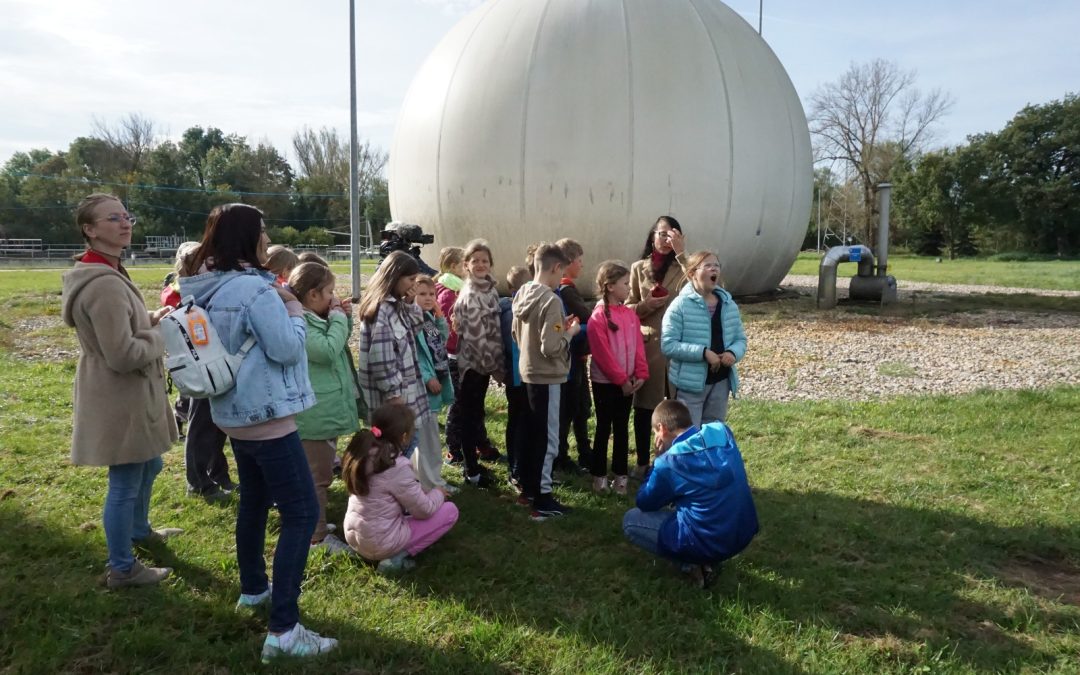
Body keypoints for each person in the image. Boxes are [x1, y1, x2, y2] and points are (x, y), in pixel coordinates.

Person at [179, 203, 336, 663]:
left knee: (252, 501)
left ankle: (253, 589)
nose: (267, 240)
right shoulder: (255, 290)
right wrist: (292, 309)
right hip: (267, 416)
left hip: (232, 412)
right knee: (302, 514)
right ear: (249, 238)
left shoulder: (204, 285)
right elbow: (287, 350)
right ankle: (285, 630)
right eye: (262, 232)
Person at [61, 193, 181, 589]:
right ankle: (122, 567)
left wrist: (148, 317)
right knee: (126, 478)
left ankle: (139, 531)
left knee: (149, 463)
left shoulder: (106, 271)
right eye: (112, 219)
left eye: (126, 215)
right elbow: (123, 353)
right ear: (90, 230)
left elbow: (120, 327)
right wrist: (160, 336)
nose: (124, 223)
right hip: (119, 394)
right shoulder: (103, 285)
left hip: (123, 392)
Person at [623, 400, 758, 588]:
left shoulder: (670, 461)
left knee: (631, 521)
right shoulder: (721, 431)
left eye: (655, 433)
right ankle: (707, 559)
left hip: (707, 541)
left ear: (661, 429)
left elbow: (645, 501)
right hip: (742, 532)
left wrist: (657, 459)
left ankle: (693, 564)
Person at [290, 262, 360, 556]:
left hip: (324, 409)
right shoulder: (302, 324)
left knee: (319, 474)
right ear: (312, 294)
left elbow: (338, 340)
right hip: (314, 414)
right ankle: (317, 537)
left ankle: (316, 525)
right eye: (330, 292)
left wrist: (344, 317)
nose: (333, 297)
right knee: (316, 478)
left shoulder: (316, 317)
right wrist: (337, 318)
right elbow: (327, 351)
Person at [342, 403, 458, 572]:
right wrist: (438, 493)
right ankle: (395, 558)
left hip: (354, 536)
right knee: (450, 511)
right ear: (404, 437)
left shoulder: (361, 453)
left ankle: (374, 552)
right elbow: (424, 510)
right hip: (380, 543)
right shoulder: (397, 465)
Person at [163, 241, 237, 502]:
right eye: (205, 261)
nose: (211, 265)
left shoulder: (208, 286)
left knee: (218, 427)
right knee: (201, 426)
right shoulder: (182, 290)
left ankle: (219, 475)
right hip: (200, 366)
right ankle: (197, 481)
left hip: (216, 362)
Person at [512, 243, 580, 519]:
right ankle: (543, 498)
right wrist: (570, 333)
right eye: (561, 270)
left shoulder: (523, 293)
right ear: (555, 268)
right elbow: (551, 347)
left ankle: (529, 488)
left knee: (531, 433)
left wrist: (555, 330)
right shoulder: (551, 299)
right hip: (549, 376)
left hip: (528, 372)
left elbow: (517, 335)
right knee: (549, 438)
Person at [626, 216, 688, 478]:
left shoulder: (687, 267)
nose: (665, 239)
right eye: (661, 234)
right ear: (652, 237)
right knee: (644, 408)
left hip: (677, 348)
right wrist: (644, 306)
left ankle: (671, 462)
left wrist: (683, 254)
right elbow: (625, 307)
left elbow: (706, 287)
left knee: (676, 410)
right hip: (648, 348)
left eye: (672, 235)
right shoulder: (639, 268)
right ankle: (642, 462)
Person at [355, 251, 429, 458]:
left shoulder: (397, 305)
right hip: (395, 401)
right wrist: (394, 396)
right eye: (411, 279)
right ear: (395, 277)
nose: (414, 284)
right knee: (394, 453)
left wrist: (410, 302)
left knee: (401, 449)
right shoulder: (382, 309)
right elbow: (382, 358)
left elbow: (415, 328)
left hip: (405, 397)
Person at [661, 251, 747, 427]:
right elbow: (668, 345)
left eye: (716, 265)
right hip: (690, 384)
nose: (713, 269)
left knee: (713, 436)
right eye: (707, 266)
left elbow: (740, 339)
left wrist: (733, 352)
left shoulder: (728, 305)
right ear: (692, 273)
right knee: (690, 437)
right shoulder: (680, 306)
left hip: (721, 382)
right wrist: (703, 353)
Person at [587, 261, 648, 495]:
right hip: (606, 383)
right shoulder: (598, 317)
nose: (629, 288)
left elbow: (638, 348)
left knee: (622, 428)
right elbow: (602, 354)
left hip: (628, 383)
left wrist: (640, 373)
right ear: (610, 286)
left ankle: (621, 475)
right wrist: (621, 379)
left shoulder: (630, 315)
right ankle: (599, 475)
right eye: (625, 283)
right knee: (604, 428)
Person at [452, 239, 506, 487]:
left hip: (486, 365)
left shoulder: (490, 290)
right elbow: (476, 339)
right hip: (474, 366)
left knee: (477, 414)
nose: (481, 264)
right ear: (466, 265)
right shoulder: (471, 295)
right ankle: (471, 470)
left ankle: (476, 462)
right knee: (469, 417)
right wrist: (494, 368)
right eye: (475, 261)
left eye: (485, 260)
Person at [411, 274, 456, 492]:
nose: (428, 298)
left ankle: (425, 478)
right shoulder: (414, 319)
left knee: (428, 435)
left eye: (431, 294)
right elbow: (418, 354)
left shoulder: (428, 318)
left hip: (437, 378)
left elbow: (441, 340)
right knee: (428, 439)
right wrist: (428, 377)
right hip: (425, 385)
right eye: (422, 294)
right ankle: (432, 483)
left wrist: (440, 317)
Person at [554, 238, 592, 473]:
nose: (581, 265)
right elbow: (586, 316)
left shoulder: (563, 288)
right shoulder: (566, 290)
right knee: (570, 409)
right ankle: (563, 455)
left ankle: (583, 451)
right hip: (571, 358)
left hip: (576, 357)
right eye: (579, 261)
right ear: (568, 262)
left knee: (580, 408)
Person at [498, 265, 532, 495]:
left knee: (524, 422)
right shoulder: (511, 312)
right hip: (517, 378)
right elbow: (514, 347)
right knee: (517, 422)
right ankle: (515, 468)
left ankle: (523, 465)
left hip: (524, 377)